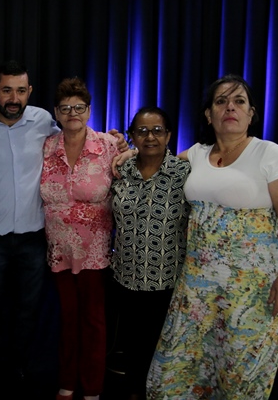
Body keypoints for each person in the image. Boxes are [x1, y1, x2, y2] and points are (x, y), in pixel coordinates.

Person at [0, 61, 128, 397]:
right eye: (6, 90)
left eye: (20, 90)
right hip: (11, 242)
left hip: (54, 245)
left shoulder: (61, 131)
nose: (13, 97)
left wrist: (122, 142)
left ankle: (44, 381)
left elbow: (123, 168)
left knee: (37, 316)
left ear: (30, 94)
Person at [144, 74, 278, 399]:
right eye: (221, 101)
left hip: (253, 292)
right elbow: (153, 166)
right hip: (197, 291)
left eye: (239, 101)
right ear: (209, 114)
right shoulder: (197, 155)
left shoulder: (269, 154)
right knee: (172, 374)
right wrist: (122, 153)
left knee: (238, 380)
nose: (230, 107)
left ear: (251, 113)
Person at [40, 77, 122, 400]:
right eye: (65, 108)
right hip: (58, 249)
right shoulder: (47, 146)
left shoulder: (108, 146)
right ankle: (67, 382)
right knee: (67, 319)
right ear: (56, 113)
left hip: (94, 252)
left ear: (89, 110)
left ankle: (92, 389)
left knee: (93, 322)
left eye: (79, 107)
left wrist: (127, 147)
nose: (72, 112)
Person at [110, 106, 191, 400]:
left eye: (157, 130)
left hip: (168, 281)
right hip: (126, 279)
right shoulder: (120, 171)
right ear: (132, 136)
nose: (150, 137)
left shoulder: (185, 174)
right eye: (142, 131)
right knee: (131, 350)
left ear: (168, 135)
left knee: (164, 352)